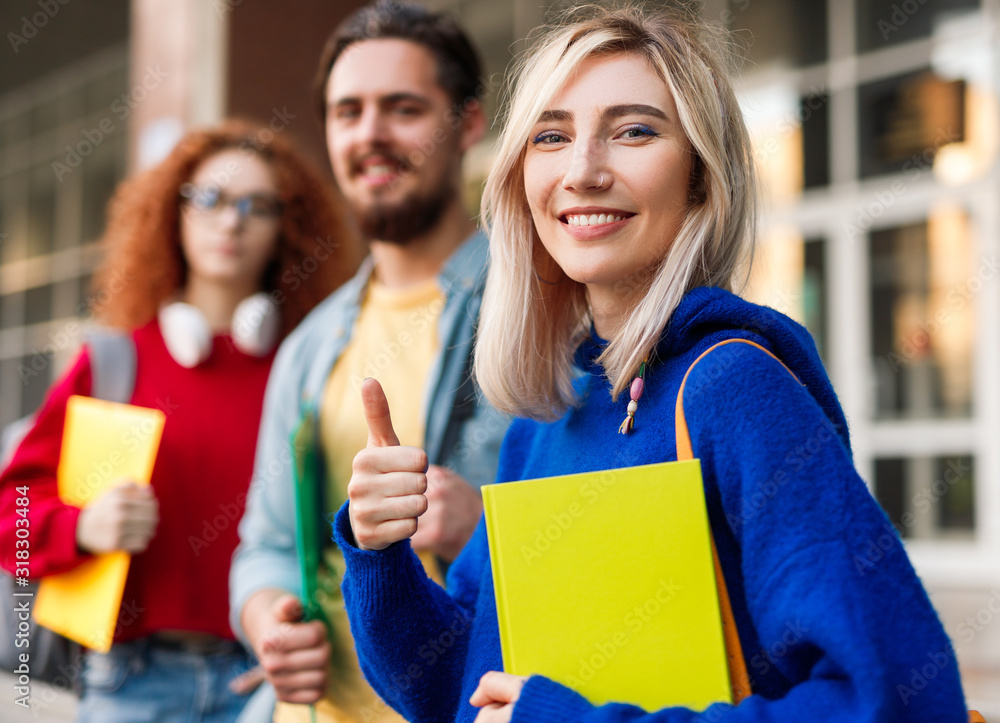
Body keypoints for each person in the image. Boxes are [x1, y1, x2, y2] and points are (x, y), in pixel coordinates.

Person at [335, 6, 971, 722]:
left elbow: (893, 701)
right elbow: (460, 685)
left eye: (634, 130)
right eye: (551, 136)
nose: (582, 171)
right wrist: (379, 548)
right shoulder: (547, 417)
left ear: (700, 177)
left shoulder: (736, 390)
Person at [0, 119, 361, 722]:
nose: (231, 220)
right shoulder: (117, 360)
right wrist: (81, 527)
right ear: (174, 212)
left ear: (287, 229)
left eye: (259, 205)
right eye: (210, 199)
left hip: (266, 683)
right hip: (129, 682)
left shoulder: (308, 367)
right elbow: (9, 515)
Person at [229, 3, 510, 722]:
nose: (370, 135)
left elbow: (613, 534)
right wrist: (268, 620)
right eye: (347, 111)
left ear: (468, 125)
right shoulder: (309, 346)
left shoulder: (537, 313)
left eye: (404, 108)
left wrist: (486, 526)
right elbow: (263, 545)